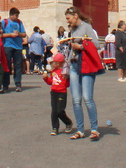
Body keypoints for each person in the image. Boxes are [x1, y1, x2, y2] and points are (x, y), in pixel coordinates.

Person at [60, 7, 103, 140]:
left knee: (87, 98)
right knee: (76, 99)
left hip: (86, 65)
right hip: (73, 65)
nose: (68, 21)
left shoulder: (87, 27)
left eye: (68, 18)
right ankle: (80, 130)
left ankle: (94, 129)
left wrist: (82, 46)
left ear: (75, 15)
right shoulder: (71, 30)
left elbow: (96, 44)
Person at [44, 52, 74, 135]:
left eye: (54, 62)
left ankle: (68, 122)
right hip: (54, 92)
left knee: (60, 110)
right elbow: (51, 82)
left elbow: (67, 85)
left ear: (59, 63)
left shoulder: (64, 71)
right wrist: (46, 78)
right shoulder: (53, 72)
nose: (53, 64)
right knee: (54, 111)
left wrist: (67, 78)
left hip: (62, 93)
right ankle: (55, 127)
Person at [1, 7, 26, 92]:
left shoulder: (19, 22)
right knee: (6, 65)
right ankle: (5, 84)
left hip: (18, 46)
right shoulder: (4, 22)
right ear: (11, 15)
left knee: (18, 65)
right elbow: (0, 35)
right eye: (15, 15)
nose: (17, 17)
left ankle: (18, 83)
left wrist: (19, 33)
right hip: (7, 45)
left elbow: (24, 34)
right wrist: (10, 35)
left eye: (17, 16)